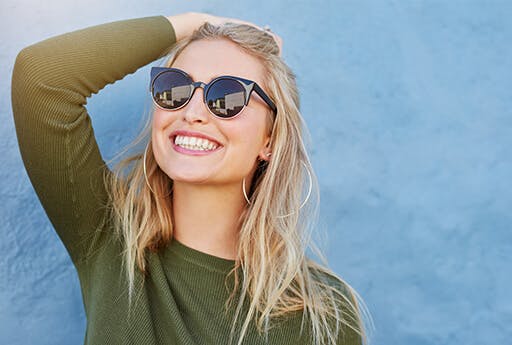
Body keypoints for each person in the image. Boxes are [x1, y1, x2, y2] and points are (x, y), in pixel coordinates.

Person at [11, 12, 368, 345]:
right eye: (176, 87)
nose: (192, 112)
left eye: (227, 95)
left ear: (270, 140)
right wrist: (198, 24)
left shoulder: (322, 313)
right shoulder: (111, 238)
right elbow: (41, 78)